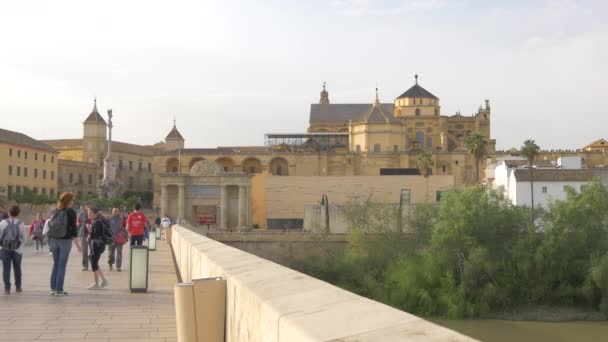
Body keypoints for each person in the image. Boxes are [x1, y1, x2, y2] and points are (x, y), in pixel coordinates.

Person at [49, 192, 82, 297]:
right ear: (69, 201)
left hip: (54, 239)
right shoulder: (71, 212)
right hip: (65, 240)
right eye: (72, 200)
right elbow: (74, 228)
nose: (73, 202)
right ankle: (59, 290)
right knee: (62, 264)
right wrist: (77, 243)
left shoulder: (56, 210)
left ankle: (53, 288)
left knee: (56, 264)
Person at [0, 205, 25, 294]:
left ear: (9, 213)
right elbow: (23, 238)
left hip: (4, 249)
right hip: (17, 250)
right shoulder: (21, 223)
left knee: (6, 269)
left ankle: (7, 288)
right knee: (17, 268)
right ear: (18, 214)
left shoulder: (3, 222)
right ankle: (18, 287)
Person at [87, 207, 109, 290]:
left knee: (94, 264)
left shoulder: (97, 223)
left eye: (91, 213)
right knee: (94, 262)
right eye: (88, 213)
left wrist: (90, 231)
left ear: (96, 214)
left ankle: (97, 283)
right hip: (99, 245)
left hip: (97, 245)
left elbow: (96, 235)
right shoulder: (97, 222)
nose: (89, 214)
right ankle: (103, 280)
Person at [78, 203, 92, 271]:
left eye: (90, 207)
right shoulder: (81, 214)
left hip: (92, 235)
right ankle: (85, 266)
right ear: (85, 207)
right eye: (87, 207)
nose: (89, 208)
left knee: (94, 251)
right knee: (84, 251)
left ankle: (92, 261)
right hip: (84, 234)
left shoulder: (94, 214)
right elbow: (78, 223)